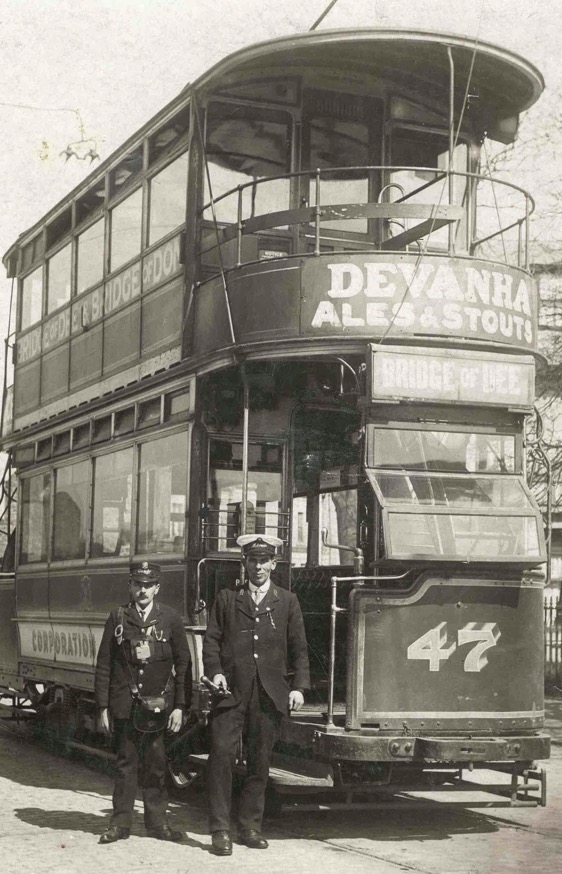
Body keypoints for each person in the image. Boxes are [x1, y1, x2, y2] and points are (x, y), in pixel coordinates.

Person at [203, 534, 310, 855]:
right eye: (253, 560)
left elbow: (299, 649)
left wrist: (300, 688)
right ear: (244, 564)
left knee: (259, 763)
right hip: (230, 692)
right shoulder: (226, 599)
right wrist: (216, 672)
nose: (258, 566)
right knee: (220, 756)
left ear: (274, 564)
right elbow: (212, 641)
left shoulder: (287, 601)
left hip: (269, 694)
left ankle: (249, 826)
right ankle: (220, 830)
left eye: (264, 561)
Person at [94, 561, 191, 844]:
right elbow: (104, 664)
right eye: (137, 584)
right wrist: (103, 706)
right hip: (126, 705)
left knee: (157, 766)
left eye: (148, 585)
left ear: (157, 588)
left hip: (159, 707)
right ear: (130, 586)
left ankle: (158, 824)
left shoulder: (170, 619)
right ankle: (120, 825)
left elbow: (184, 665)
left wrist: (181, 706)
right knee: (125, 765)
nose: (142, 590)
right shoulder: (118, 618)